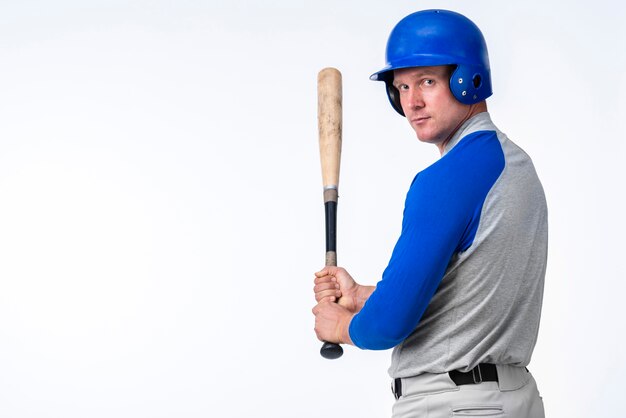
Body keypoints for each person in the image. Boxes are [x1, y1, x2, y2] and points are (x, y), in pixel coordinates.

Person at [312, 9, 547, 418]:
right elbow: (469, 298)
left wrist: (341, 326)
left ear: (468, 79)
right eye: (401, 87)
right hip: (514, 398)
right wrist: (363, 297)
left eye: (427, 82)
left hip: (453, 405)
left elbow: (387, 325)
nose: (412, 102)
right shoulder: (516, 164)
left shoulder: (446, 178)